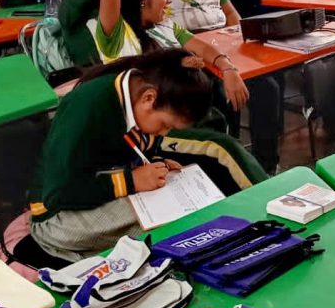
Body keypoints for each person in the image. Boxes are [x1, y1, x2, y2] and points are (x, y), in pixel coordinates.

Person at [28, 48, 265, 262]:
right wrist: (132, 181)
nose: (163, 133)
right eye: (164, 125)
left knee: (186, 203)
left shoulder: (134, 89)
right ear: (149, 98)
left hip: (94, 194)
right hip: (57, 219)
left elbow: (110, 156)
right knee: (176, 225)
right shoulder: (88, 109)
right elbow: (57, 193)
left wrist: (152, 164)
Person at [152, 0, 284, 170]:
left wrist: (241, 45)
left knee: (268, 86)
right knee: (222, 95)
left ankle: (266, 165)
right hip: (190, 56)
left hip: (226, 46)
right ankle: (230, 160)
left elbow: (233, 15)